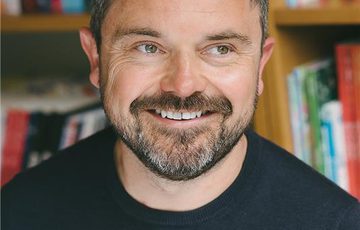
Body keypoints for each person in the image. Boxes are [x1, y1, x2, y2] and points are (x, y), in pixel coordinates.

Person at [2, 0, 360, 229]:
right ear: (95, 58)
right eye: (148, 47)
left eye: (220, 48)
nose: (184, 85)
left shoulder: (336, 223)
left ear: (260, 65)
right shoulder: (16, 213)